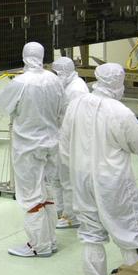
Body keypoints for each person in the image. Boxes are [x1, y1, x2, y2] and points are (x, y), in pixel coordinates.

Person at [59, 62, 138, 275]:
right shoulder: (120, 112)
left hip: (81, 178)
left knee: (90, 234)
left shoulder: (76, 104)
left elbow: (65, 144)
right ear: (118, 83)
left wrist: (76, 168)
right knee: (127, 233)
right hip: (111, 181)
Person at [0, 41, 64, 257]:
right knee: (48, 192)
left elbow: (3, 106)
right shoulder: (54, 80)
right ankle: (50, 240)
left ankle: (38, 245)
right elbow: (62, 108)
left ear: (24, 56)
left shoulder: (21, 82)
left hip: (28, 147)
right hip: (52, 143)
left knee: (31, 196)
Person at [51, 55, 90, 230]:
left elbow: (78, 120)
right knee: (58, 177)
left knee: (68, 180)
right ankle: (60, 211)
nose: (55, 76)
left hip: (72, 141)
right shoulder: (67, 85)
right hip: (63, 137)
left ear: (65, 72)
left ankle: (72, 217)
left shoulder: (76, 89)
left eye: (57, 73)